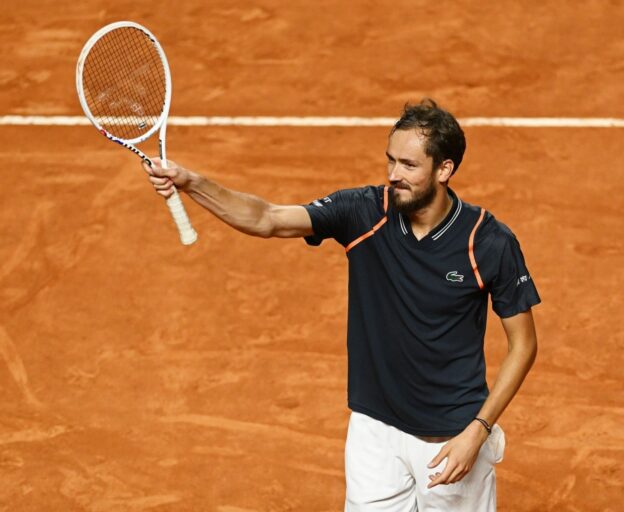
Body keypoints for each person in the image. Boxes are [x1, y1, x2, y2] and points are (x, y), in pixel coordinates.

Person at [144, 99, 540, 511]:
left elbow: (523, 345)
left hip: (449, 436)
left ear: (444, 170)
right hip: (374, 429)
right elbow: (268, 218)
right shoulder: (365, 211)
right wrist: (192, 183)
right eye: (390, 161)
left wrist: (477, 431)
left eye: (408, 165)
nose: (393, 175)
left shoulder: (488, 241)